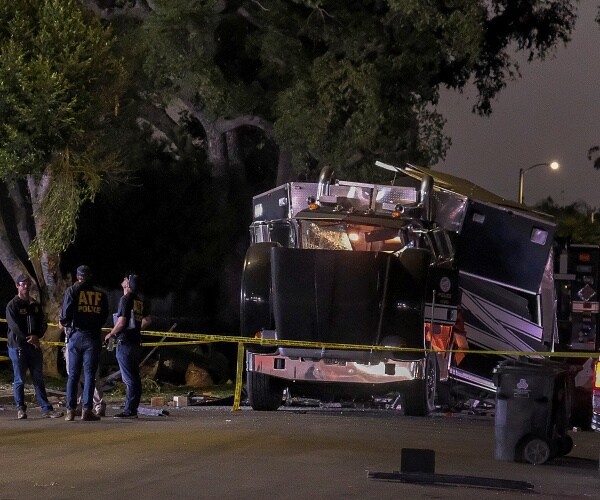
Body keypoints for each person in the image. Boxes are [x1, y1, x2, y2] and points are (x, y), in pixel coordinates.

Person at [6, 274, 63, 419]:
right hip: (18, 346)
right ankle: (20, 408)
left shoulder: (35, 305)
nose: (26, 286)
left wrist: (37, 336)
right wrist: (28, 338)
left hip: (34, 347)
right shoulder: (12, 305)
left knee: (38, 377)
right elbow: (14, 327)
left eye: (28, 284)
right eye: (23, 284)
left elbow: (43, 323)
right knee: (19, 379)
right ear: (17, 285)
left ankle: (46, 408)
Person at [60, 265, 109, 421]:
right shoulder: (100, 295)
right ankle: (87, 410)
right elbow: (104, 316)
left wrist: (68, 325)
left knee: (73, 375)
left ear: (77, 277)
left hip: (75, 336)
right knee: (89, 376)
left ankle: (70, 410)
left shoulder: (72, 291)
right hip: (92, 337)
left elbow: (65, 316)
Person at [104, 273, 150, 418]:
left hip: (125, 343)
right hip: (135, 343)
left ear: (128, 285)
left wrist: (111, 333)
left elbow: (122, 321)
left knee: (130, 379)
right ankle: (132, 409)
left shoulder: (125, 299)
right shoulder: (139, 301)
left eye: (125, 279)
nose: (123, 280)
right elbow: (147, 320)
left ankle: (130, 410)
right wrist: (136, 329)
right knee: (134, 377)